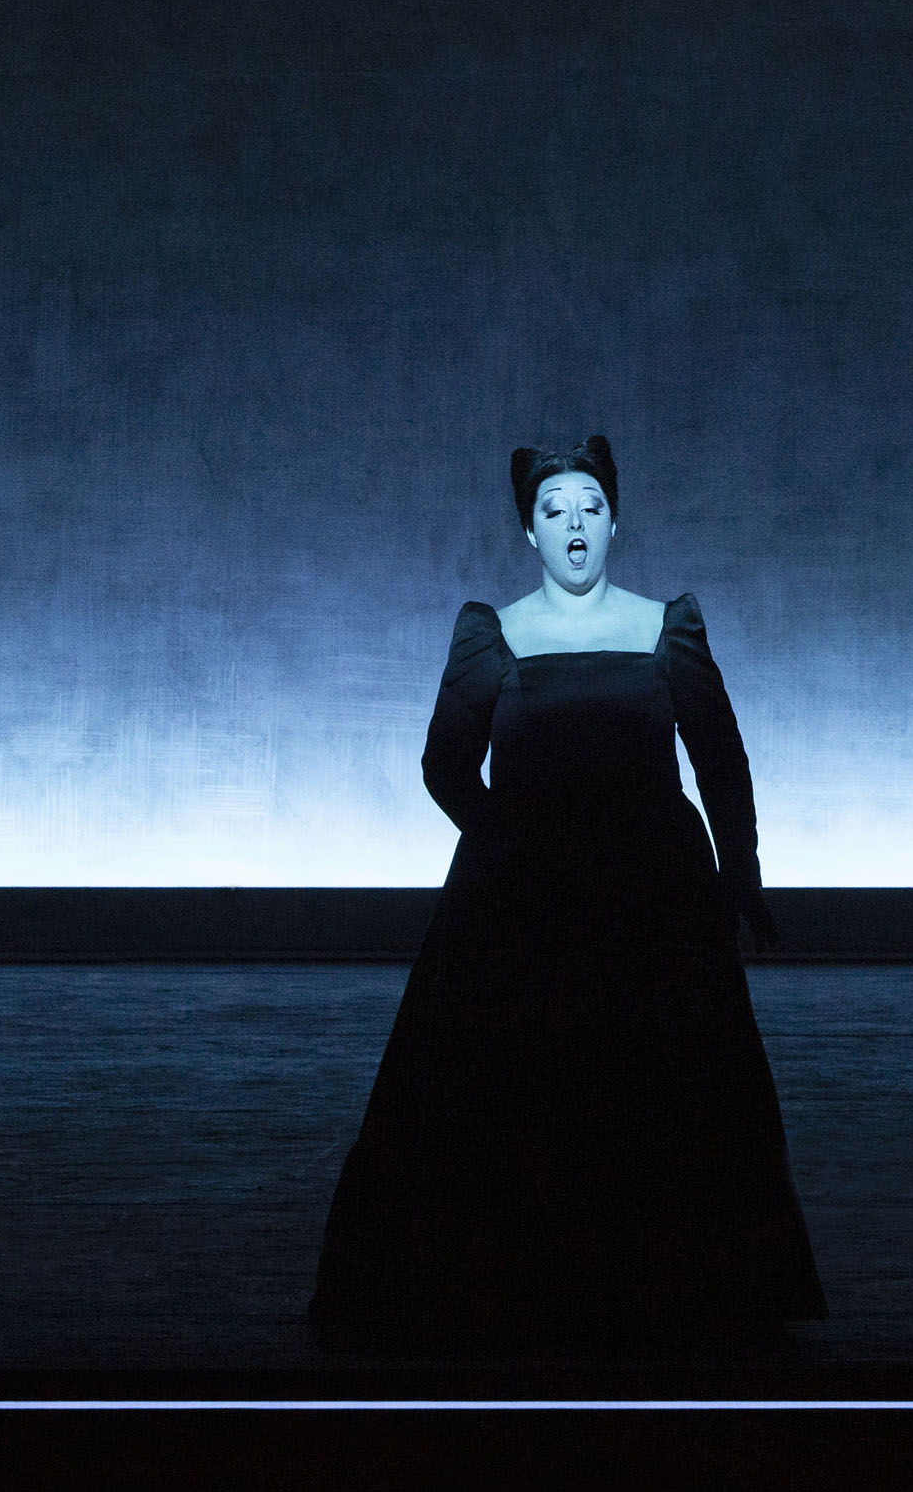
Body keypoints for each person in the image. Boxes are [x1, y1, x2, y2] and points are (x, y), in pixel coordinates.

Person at [310, 436, 826, 1343]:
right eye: (555, 510)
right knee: (513, 1080)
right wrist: (510, 843)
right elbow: (443, 766)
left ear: (614, 522)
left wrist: (739, 875)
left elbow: (720, 760)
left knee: (660, 1085)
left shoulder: (666, 626)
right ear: (529, 531)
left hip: (651, 898)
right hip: (525, 905)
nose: (574, 523)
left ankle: (676, 1284)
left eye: (591, 506)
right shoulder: (493, 632)